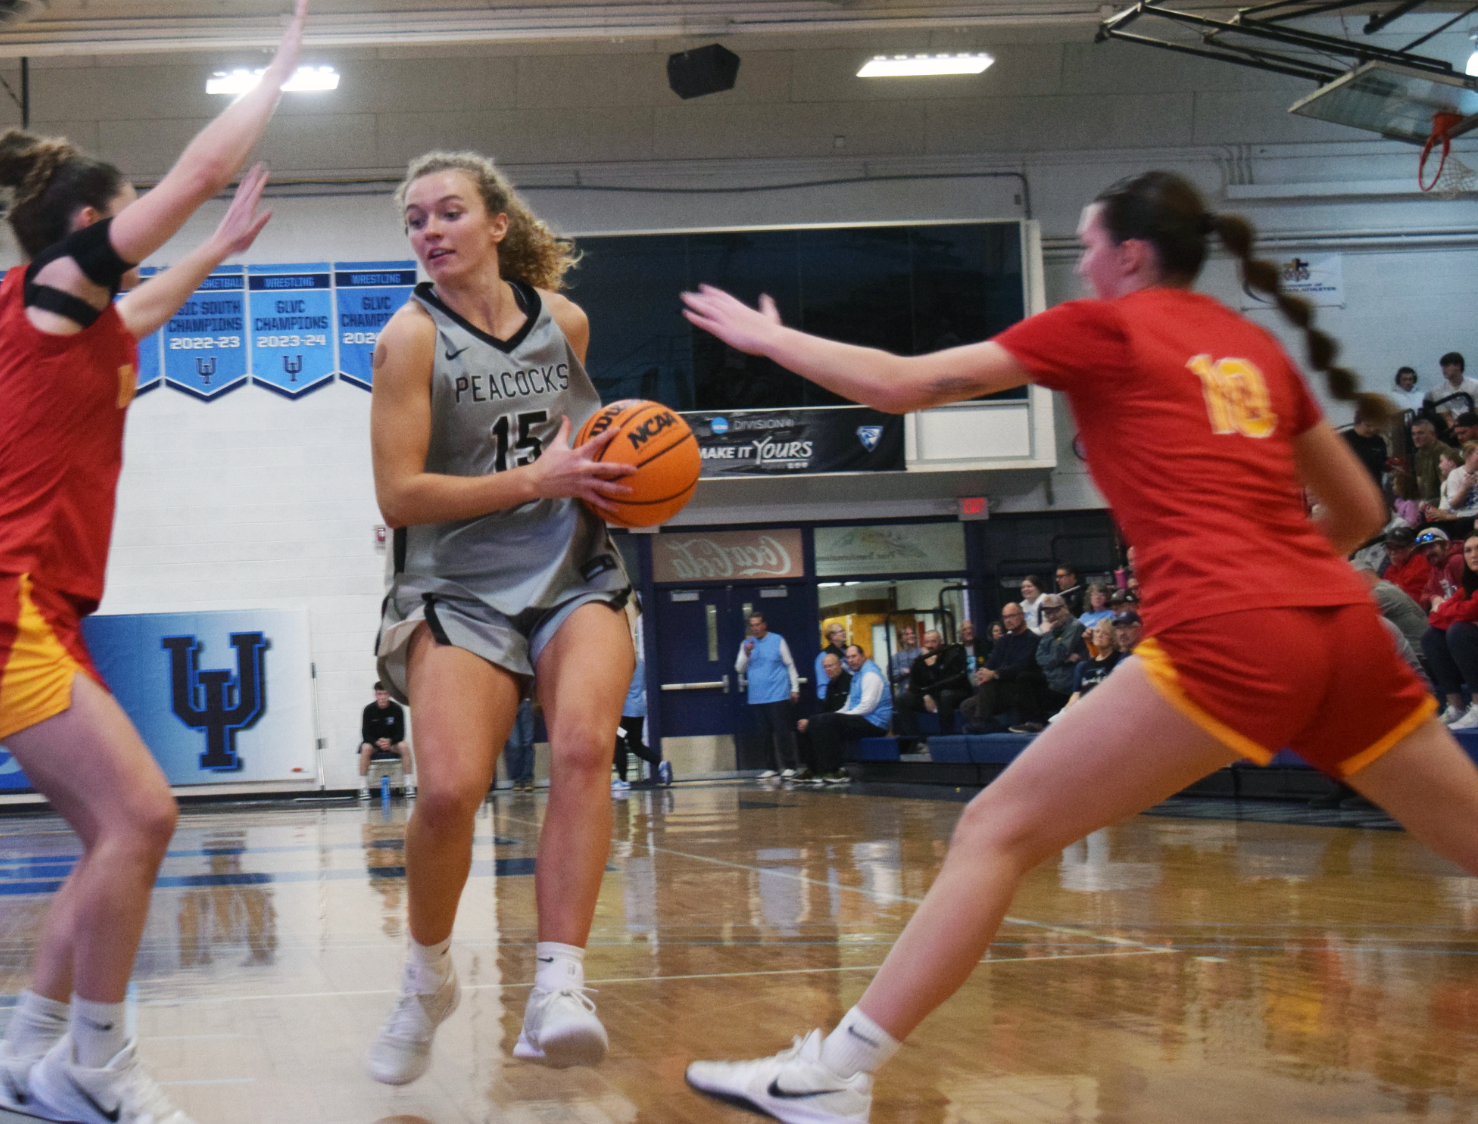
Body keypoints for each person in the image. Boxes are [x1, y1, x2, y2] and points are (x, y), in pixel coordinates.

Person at [679, 170, 1478, 1124]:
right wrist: (1283, 577)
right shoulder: (1253, 344)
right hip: (1341, 630)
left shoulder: (1102, 327)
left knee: (995, 832)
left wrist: (771, 339)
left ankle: (832, 1076)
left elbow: (899, 385)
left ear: (1130, 254)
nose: (1085, 261)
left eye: (1091, 244)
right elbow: (1361, 509)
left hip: (1227, 630)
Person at [0, 9, 307, 1121]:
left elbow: (143, 302)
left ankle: (20, 1052)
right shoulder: (47, 290)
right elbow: (202, 163)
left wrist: (215, 254)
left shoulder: (80, 325)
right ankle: (93, 1062)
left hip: (20, 602)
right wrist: (276, 70)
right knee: (143, 817)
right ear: (90, 222)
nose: (143, 232)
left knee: (108, 839)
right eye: (130, 217)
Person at [365, 147, 637, 1086]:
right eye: (414, 220)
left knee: (584, 749)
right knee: (447, 793)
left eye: (446, 213)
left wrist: (625, 473)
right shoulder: (410, 339)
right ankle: (428, 974)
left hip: (571, 569)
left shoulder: (564, 322)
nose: (429, 231)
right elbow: (398, 495)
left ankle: (560, 982)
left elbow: (581, 449)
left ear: (497, 224)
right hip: (458, 587)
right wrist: (537, 478)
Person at [800, 645, 892, 786]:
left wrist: (837, 718)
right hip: (862, 718)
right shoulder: (857, 676)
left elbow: (866, 707)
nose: (851, 660)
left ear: (863, 656)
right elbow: (848, 705)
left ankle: (837, 771)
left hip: (875, 723)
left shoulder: (871, 675)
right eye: (848, 657)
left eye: (854, 656)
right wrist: (823, 718)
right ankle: (815, 770)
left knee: (829, 721)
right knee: (815, 721)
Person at [1419, 536, 1478, 730]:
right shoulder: (1468, 585)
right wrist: (1450, 611)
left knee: (1458, 631)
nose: (1473, 555)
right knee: (1432, 637)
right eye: (1468, 550)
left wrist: (1446, 610)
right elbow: (1434, 618)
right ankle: (1456, 706)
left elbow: (1470, 610)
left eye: (1477, 549)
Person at [736, 612, 802, 780]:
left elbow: (790, 665)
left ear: (764, 624)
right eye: (752, 625)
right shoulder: (746, 644)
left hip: (778, 694)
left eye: (758, 624)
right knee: (764, 734)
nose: (755, 628)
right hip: (757, 696)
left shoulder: (777, 640)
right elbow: (739, 668)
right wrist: (746, 653)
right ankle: (771, 767)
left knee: (782, 731)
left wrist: (794, 688)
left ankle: (790, 766)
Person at [959, 604, 1041, 731]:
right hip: (998, 690)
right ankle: (993, 726)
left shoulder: (1032, 639)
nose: (1008, 620)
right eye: (1005, 617)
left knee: (988, 684)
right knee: (966, 706)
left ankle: (982, 722)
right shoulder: (1004, 641)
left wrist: (994, 674)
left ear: (1022, 615)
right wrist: (982, 673)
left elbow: (1021, 666)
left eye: (1011, 616)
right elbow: (990, 662)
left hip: (1019, 687)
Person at [613, 598, 666, 789]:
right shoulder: (640, 661)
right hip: (638, 711)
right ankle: (660, 764)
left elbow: (617, 687)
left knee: (618, 740)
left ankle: (623, 780)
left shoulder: (623, 662)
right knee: (635, 744)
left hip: (625, 714)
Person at [1015, 594, 1084, 733]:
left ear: (1065, 608)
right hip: (1050, 679)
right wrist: (1061, 659)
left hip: (1065, 686)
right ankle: (1036, 722)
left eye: (1054, 611)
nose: (1051, 616)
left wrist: (1050, 635)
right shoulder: (1051, 629)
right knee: (1022, 678)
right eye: (1047, 613)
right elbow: (1040, 657)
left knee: (1026, 680)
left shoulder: (1075, 626)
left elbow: (1061, 652)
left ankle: (1037, 723)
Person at [1052, 612, 1139, 719]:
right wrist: (1065, 714)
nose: (1099, 635)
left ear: (1112, 638)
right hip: (1083, 712)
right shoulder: (1083, 666)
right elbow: (1076, 695)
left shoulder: (1118, 660)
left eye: (1105, 633)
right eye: (1097, 631)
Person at [1356, 560, 1428, 654]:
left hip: (1419, 654)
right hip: (1421, 649)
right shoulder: (1387, 586)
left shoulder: (1381, 593)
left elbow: (1352, 615)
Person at [903, 629, 971, 727]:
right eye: (927, 642)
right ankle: (914, 739)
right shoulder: (920, 659)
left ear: (941, 642)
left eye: (933, 641)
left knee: (945, 695)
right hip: (931, 694)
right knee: (902, 699)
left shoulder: (951, 654)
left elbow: (949, 683)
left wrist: (933, 666)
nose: (930, 645)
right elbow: (913, 685)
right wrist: (925, 696)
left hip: (955, 692)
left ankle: (946, 737)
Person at [359, 682, 414, 799]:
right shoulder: (368, 710)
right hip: (375, 743)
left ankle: (409, 785)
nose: (383, 697)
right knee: (365, 747)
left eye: (385, 694)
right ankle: (363, 787)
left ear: (389, 694)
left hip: (392, 743)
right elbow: (365, 734)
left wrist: (390, 741)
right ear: (376, 695)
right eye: (380, 694)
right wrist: (376, 742)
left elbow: (401, 733)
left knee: (404, 746)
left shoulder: (397, 709)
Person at [1389, 526, 1465, 608]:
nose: (1427, 553)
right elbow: (1424, 597)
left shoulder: (1457, 560)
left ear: (1446, 544)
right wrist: (1434, 598)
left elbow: (1469, 594)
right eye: (1423, 550)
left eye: (1431, 546)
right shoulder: (1436, 568)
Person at [1410, 416, 1453, 504]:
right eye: (1413, 434)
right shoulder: (1419, 454)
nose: (1416, 437)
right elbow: (1420, 482)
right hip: (1428, 501)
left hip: (1444, 502)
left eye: (1420, 433)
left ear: (1433, 434)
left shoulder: (1443, 452)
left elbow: (1447, 488)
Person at [1341, 409, 1388, 486]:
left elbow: (1382, 464)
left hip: (1374, 488)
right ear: (1358, 422)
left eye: (1375, 426)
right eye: (1368, 425)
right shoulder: (1343, 439)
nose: (1372, 429)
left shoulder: (1378, 441)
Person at [503, 697, 537, 791]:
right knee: (515, 744)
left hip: (525, 701)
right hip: (510, 702)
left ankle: (527, 778)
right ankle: (517, 778)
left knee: (527, 742)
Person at [1427, 351, 1470, 418]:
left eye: (1446, 366)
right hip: (1452, 427)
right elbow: (1447, 417)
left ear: (1458, 366)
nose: (1443, 370)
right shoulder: (1437, 390)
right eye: (1443, 367)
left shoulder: (1475, 386)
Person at [887, 625, 921, 696]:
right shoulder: (895, 657)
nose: (911, 636)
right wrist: (904, 672)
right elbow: (891, 676)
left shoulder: (921, 652)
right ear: (900, 638)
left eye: (912, 633)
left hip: (920, 692)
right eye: (907, 634)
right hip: (903, 694)